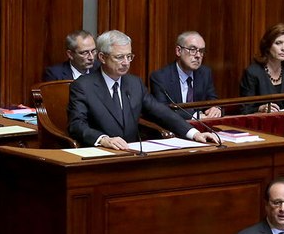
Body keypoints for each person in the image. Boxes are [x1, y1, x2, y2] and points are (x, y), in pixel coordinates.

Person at [68, 30, 220, 151]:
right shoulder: (83, 86)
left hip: (132, 153)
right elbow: (77, 125)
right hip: (101, 154)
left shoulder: (135, 84)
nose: (126, 63)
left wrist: (194, 133)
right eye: (120, 57)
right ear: (102, 57)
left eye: (129, 56)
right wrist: (103, 139)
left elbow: (161, 112)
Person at [149, 31, 222, 118]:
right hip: (173, 129)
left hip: (202, 128)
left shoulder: (205, 73)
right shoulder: (160, 77)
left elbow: (212, 99)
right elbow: (162, 111)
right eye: (192, 50)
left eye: (201, 51)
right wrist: (195, 116)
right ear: (179, 51)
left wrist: (216, 108)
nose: (198, 55)